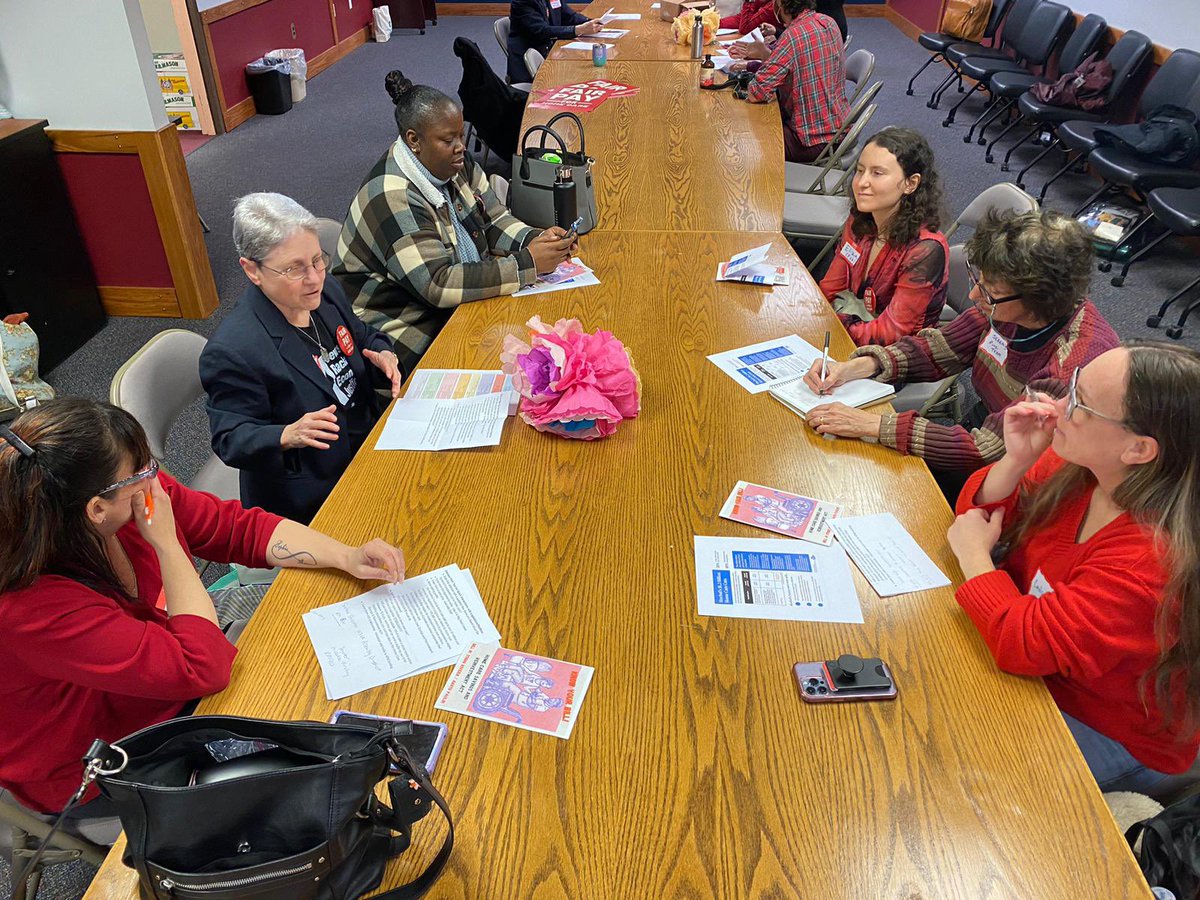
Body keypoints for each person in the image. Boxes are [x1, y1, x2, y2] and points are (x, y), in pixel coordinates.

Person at [0, 398, 405, 825]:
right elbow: (202, 668)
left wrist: (345, 555)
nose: (156, 480)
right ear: (97, 509)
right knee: (308, 780)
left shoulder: (123, 497)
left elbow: (233, 528)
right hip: (90, 762)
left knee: (313, 690)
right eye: (141, 473)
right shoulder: (29, 605)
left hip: (155, 673)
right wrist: (168, 544)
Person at [947, 343, 1200, 792]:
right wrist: (1016, 459)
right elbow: (978, 515)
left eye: (1080, 404)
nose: (1057, 407)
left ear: (1138, 449)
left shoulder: (1151, 560)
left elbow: (1027, 644)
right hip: (1040, 664)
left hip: (1107, 723)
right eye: (1071, 388)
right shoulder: (1082, 466)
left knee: (964, 773)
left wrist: (974, 557)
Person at [802, 209, 1120, 490]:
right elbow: (941, 348)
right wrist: (859, 367)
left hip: (1025, 475)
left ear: (1038, 300)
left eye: (989, 292)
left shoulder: (1070, 368)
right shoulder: (1007, 306)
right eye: (978, 281)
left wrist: (873, 425)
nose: (973, 296)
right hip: (987, 421)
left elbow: (988, 451)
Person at [333, 72, 575, 374]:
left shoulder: (451, 162)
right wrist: (527, 263)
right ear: (414, 141)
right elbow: (437, 284)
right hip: (400, 333)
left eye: (461, 136)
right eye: (449, 140)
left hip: (453, 302)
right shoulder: (391, 196)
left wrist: (535, 240)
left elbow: (494, 218)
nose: (461, 146)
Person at [201, 193, 403, 525]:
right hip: (312, 490)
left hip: (366, 446)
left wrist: (383, 354)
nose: (314, 278)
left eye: (317, 260)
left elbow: (361, 334)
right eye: (294, 268)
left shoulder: (323, 293)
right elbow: (230, 439)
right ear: (252, 270)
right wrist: (286, 434)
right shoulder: (234, 350)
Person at [819, 128, 949, 346]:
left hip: (891, 355)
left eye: (877, 173)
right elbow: (832, 286)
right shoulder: (862, 218)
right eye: (860, 171)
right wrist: (813, 316)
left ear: (911, 183)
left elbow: (891, 334)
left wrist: (829, 327)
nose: (861, 183)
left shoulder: (925, 250)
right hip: (851, 326)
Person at [733, 0, 848, 162]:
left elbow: (757, 93)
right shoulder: (828, 22)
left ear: (781, 6)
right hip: (840, 129)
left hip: (812, 141)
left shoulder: (792, 36)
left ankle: (764, 185)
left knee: (743, 140)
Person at [506, 0, 602, 84]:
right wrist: (577, 30)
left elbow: (569, 16)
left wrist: (590, 22)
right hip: (530, 62)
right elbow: (542, 31)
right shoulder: (522, 2)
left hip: (551, 51)